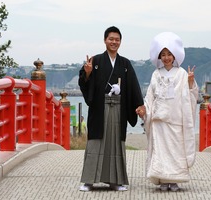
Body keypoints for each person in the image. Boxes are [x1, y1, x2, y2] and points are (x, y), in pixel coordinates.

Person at [78, 26, 145, 192]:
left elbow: (133, 87)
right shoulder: (96, 61)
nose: (114, 42)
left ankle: (115, 181)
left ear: (120, 42)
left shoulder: (125, 64)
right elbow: (84, 83)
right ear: (105, 40)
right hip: (99, 108)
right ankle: (89, 181)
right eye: (111, 39)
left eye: (117, 39)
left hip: (119, 109)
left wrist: (139, 105)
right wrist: (87, 73)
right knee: (95, 143)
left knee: (115, 143)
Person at [142, 32, 198, 191]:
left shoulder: (181, 74)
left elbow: (189, 95)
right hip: (159, 119)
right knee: (161, 151)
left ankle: (174, 180)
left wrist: (191, 82)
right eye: (163, 54)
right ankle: (162, 179)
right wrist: (146, 110)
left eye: (169, 54)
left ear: (174, 56)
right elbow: (150, 96)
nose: (166, 58)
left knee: (175, 150)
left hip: (175, 118)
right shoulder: (156, 74)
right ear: (159, 57)